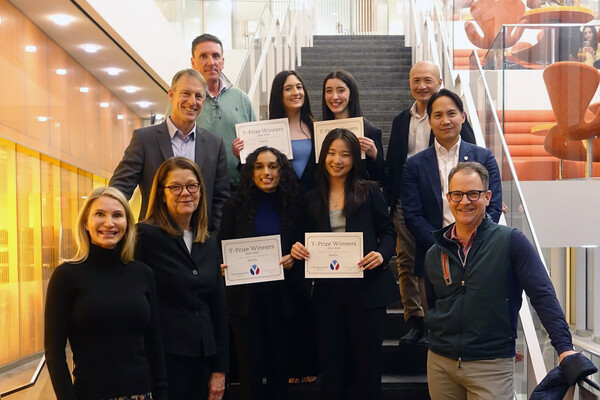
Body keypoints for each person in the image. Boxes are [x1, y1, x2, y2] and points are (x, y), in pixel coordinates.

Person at [425, 161, 579, 400]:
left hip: (490, 366)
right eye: (457, 194)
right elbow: (435, 305)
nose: (464, 201)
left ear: (487, 197)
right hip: (441, 364)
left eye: (473, 194)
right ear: (448, 198)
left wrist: (564, 349)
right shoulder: (435, 252)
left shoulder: (510, 241)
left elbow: (542, 296)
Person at [291, 128, 398, 400]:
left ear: (355, 159)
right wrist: (297, 248)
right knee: (332, 370)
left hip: (367, 292)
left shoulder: (369, 191)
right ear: (323, 155)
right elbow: (298, 238)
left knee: (368, 369)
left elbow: (388, 232)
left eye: (345, 154)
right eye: (331, 153)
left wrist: (382, 255)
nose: (337, 160)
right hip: (327, 295)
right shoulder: (311, 198)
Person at [45, 187, 168, 400]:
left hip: (141, 393)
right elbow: (54, 353)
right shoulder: (66, 276)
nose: (109, 223)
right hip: (90, 394)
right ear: (85, 222)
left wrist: (162, 394)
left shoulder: (142, 273)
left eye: (117, 215)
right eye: (99, 214)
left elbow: (155, 344)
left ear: (127, 224)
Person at [401, 89, 503, 345]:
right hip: (434, 255)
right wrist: (443, 245)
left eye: (451, 114)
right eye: (438, 115)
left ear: (463, 117)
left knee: (477, 327)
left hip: (479, 254)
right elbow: (412, 215)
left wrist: (472, 243)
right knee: (438, 331)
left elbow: (494, 205)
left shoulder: (484, 157)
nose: (445, 120)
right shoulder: (414, 164)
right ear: (430, 120)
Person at [385, 61, 476, 345]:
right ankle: (416, 319)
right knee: (406, 262)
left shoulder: (452, 117)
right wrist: (391, 201)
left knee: (439, 261)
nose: (421, 86)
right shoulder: (402, 119)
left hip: (445, 202)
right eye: (415, 80)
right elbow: (393, 163)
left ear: (439, 81)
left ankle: (441, 319)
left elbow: (473, 158)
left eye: (427, 80)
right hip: (408, 200)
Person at [135, 157, 228, 400]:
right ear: (162, 194)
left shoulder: (207, 241)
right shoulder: (144, 236)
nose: (185, 193)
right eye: (175, 187)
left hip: (204, 361)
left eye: (191, 186)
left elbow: (217, 308)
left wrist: (220, 369)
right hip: (164, 361)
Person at [219, 147, 302, 400]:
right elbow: (223, 245)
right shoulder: (235, 204)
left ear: (282, 171)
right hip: (245, 301)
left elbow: (302, 244)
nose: (266, 172)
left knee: (280, 369)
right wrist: (224, 265)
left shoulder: (294, 203)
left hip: (282, 298)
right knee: (249, 370)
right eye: (259, 166)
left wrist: (294, 257)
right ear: (250, 171)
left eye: (273, 166)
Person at [110, 68, 229, 232]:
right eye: (185, 93)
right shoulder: (145, 139)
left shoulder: (215, 145)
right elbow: (120, 188)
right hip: (154, 241)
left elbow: (220, 199)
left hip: (199, 242)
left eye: (199, 96)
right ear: (171, 95)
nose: (192, 102)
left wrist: (213, 240)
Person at [165, 33, 256, 188]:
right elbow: (169, 142)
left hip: (239, 187)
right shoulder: (182, 102)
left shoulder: (241, 99)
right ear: (193, 62)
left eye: (215, 56)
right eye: (203, 56)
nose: (211, 62)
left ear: (223, 61)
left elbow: (255, 146)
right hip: (196, 189)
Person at [234, 70, 317, 193]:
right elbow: (255, 172)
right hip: (281, 202)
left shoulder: (316, 128)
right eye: (288, 89)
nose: (296, 93)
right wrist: (241, 155)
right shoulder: (266, 133)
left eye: (299, 87)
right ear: (279, 94)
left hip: (313, 203)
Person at [322, 69, 385, 182]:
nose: (334, 96)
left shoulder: (370, 131)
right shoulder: (319, 130)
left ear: (351, 94)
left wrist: (375, 156)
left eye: (341, 90)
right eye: (329, 91)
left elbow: (381, 177)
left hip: (360, 196)